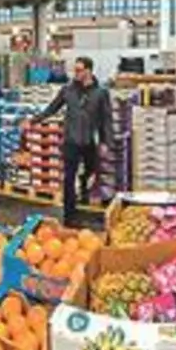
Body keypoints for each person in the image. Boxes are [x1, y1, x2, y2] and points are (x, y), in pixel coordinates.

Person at [33, 57, 115, 227]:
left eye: (79, 70)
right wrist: (35, 120)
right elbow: (52, 108)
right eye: (74, 70)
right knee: (68, 179)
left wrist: (106, 142)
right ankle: (69, 215)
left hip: (88, 141)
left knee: (91, 171)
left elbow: (106, 119)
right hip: (70, 141)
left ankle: (84, 191)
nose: (75, 73)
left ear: (89, 71)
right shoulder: (67, 90)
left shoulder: (101, 93)